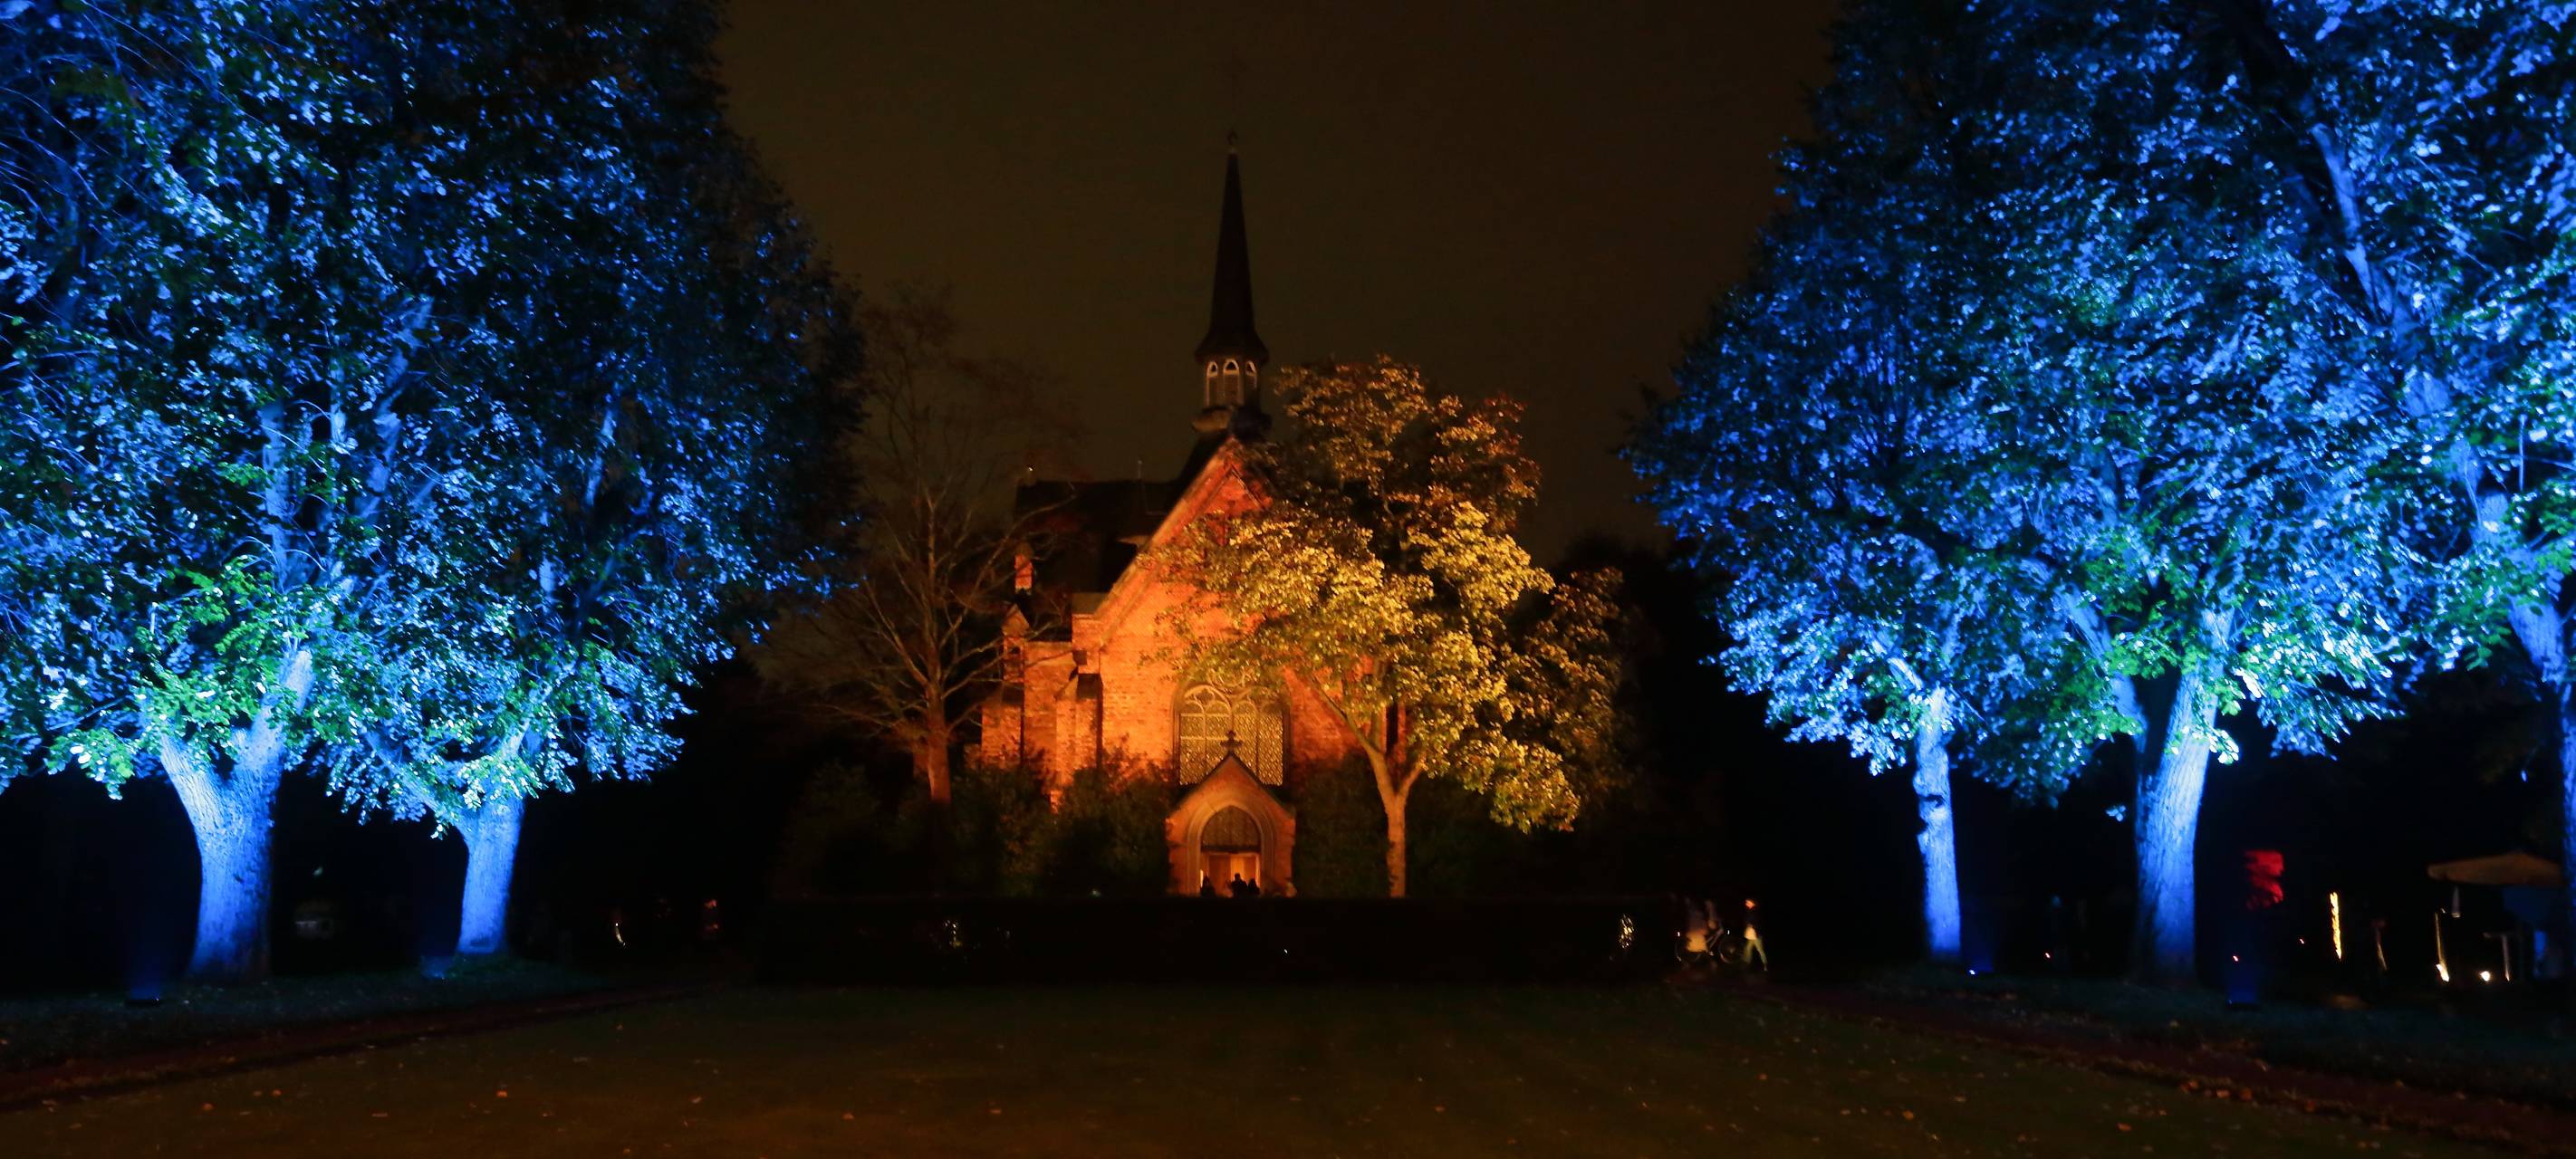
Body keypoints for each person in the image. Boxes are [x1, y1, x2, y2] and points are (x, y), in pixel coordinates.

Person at [1741, 898, 1768, 971]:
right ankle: (1746, 963)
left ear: (1753, 903)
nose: (1746, 903)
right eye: (1746, 902)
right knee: (1748, 948)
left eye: (1748, 902)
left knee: (1760, 949)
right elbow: (1747, 921)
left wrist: (1752, 925)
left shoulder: (1756, 912)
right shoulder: (1749, 911)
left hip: (1756, 934)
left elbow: (1758, 922)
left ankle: (1765, 964)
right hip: (1751, 934)